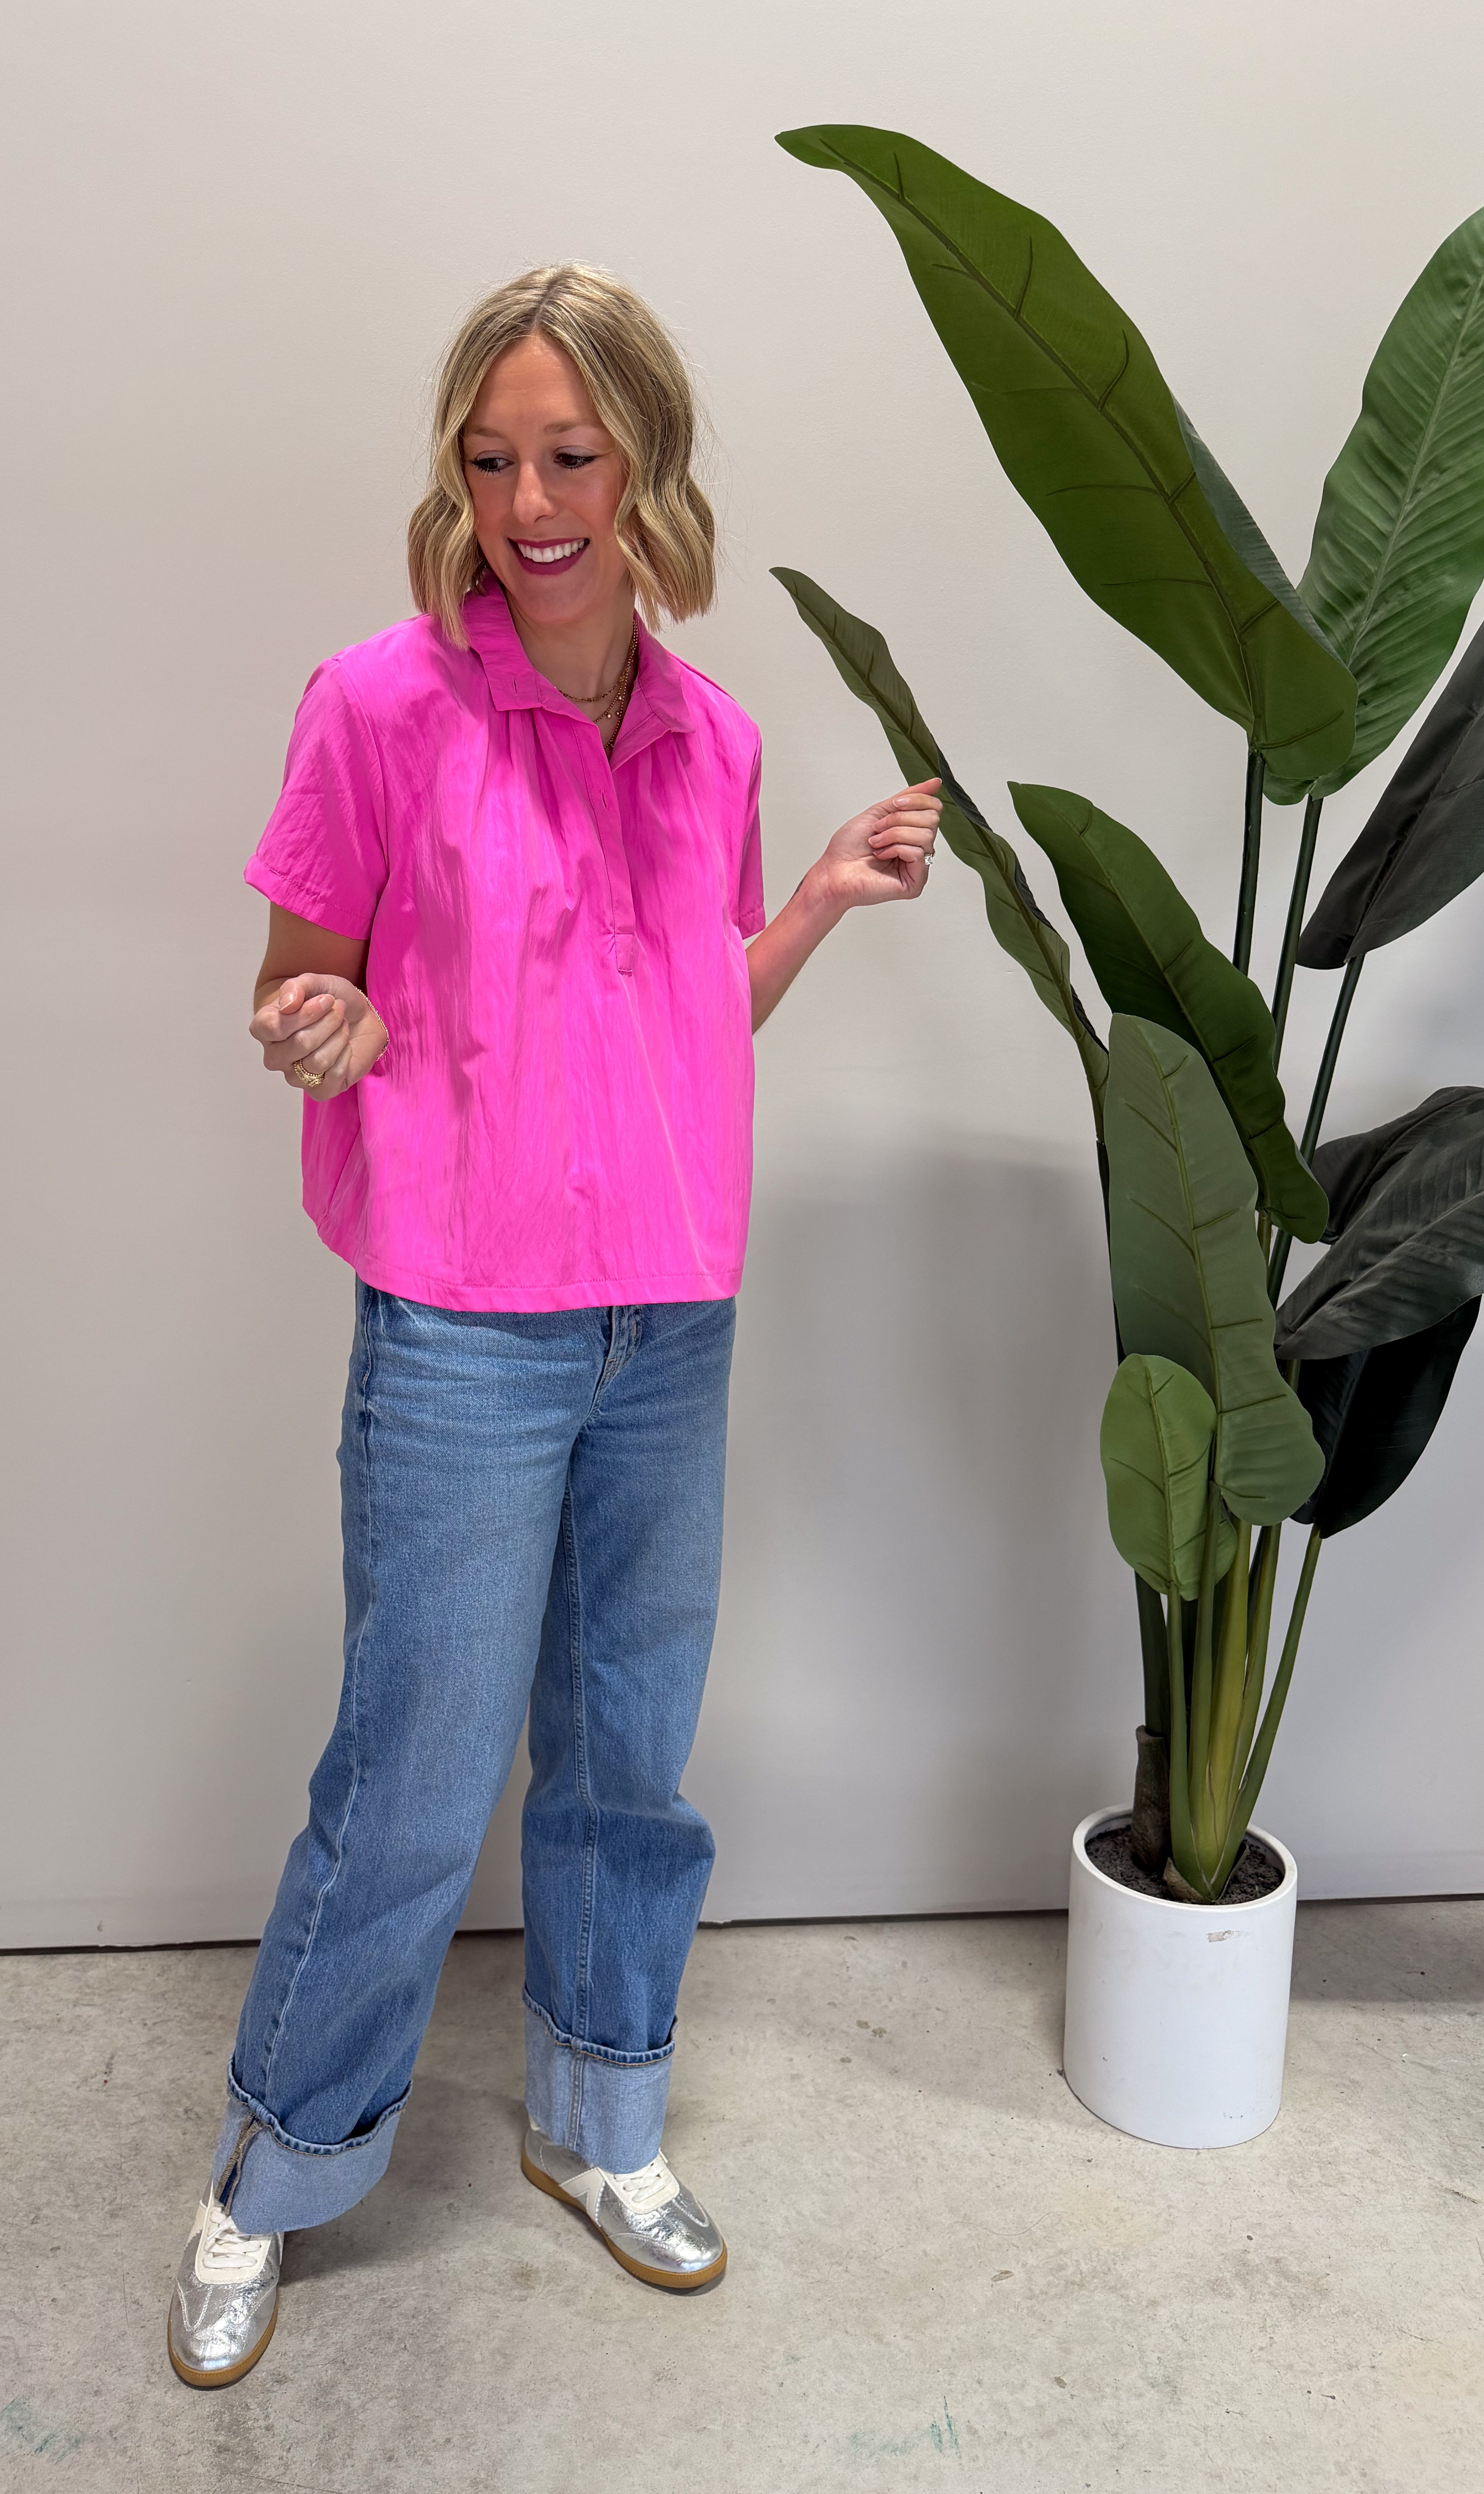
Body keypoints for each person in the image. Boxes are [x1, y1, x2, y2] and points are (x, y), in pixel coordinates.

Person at [167, 263, 940, 2388]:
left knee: (626, 1760)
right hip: (463, 1330)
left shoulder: (718, 737)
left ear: (646, 465)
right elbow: (300, 981)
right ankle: (275, 2169)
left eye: (572, 457)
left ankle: (599, 2121)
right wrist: (317, 1031)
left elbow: (686, 1013)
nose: (529, 503)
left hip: (668, 1319)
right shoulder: (377, 707)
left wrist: (814, 902)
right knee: (415, 1780)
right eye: (493, 458)